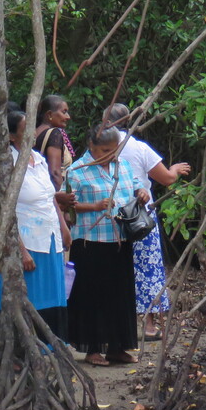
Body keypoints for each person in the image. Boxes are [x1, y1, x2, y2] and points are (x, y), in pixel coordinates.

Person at [0, 111, 71, 338]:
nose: (31, 133)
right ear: (11, 136)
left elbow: (49, 197)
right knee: (28, 294)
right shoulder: (7, 166)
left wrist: (63, 228)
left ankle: (48, 343)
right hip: (27, 241)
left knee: (51, 292)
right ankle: (20, 346)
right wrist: (21, 249)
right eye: (24, 129)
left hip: (49, 237)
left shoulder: (38, 159)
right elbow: (4, 213)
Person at [103, 103, 191, 341]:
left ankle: (118, 324)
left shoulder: (101, 147)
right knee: (147, 268)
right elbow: (167, 178)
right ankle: (150, 326)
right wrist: (174, 168)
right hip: (140, 215)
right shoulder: (139, 148)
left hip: (109, 214)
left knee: (118, 268)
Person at [65, 124, 151, 367]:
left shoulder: (121, 166)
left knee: (119, 295)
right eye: (104, 150)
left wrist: (142, 192)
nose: (109, 155)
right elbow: (67, 206)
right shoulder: (77, 171)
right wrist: (93, 207)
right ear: (91, 146)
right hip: (90, 241)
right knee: (92, 296)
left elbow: (135, 185)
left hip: (120, 240)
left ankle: (117, 347)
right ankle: (92, 349)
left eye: (114, 151)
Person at [35, 95, 78, 206]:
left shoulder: (35, 133)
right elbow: (54, 172)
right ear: (49, 114)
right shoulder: (55, 134)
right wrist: (63, 200)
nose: (68, 117)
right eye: (64, 112)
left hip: (40, 192)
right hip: (53, 197)